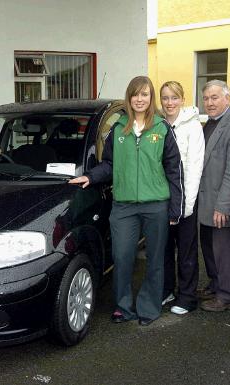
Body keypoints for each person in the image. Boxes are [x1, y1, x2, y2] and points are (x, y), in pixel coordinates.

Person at [69, 76, 183, 326]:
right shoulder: (118, 129)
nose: (140, 99)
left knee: (155, 259)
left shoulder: (162, 129)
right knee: (121, 256)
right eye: (135, 95)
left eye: (145, 94)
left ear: (151, 98)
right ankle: (123, 307)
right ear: (129, 98)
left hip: (157, 205)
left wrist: (176, 208)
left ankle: (149, 307)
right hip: (124, 206)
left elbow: (174, 170)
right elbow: (109, 164)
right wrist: (90, 176)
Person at [197, 80, 230, 312]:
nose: (209, 102)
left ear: (227, 98)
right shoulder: (210, 122)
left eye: (215, 97)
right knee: (208, 247)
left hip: (222, 204)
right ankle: (216, 283)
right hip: (207, 201)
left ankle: (228, 296)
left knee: (225, 252)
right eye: (206, 98)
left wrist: (223, 206)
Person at [159, 81, 205, 315]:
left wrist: (185, 207)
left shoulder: (192, 127)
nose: (169, 103)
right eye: (165, 98)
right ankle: (166, 289)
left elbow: (195, 167)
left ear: (182, 99)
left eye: (174, 98)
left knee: (185, 250)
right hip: (163, 199)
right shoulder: (158, 124)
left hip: (186, 199)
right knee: (163, 249)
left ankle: (187, 296)